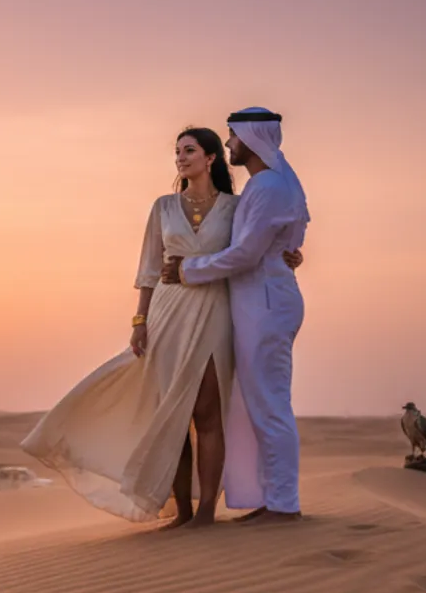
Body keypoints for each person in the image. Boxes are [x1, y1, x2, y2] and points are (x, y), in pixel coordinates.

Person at [20, 125, 301, 527]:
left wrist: (290, 257)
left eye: (190, 151)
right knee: (171, 414)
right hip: (167, 313)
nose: (181, 158)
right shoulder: (163, 208)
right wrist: (139, 321)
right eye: (177, 152)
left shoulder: (236, 207)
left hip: (215, 312)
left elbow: (255, 247)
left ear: (210, 159)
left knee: (206, 412)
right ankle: (182, 512)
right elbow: (149, 270)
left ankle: (205, 512)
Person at [160, 107, 308, 524]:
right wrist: (288, 253)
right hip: (259, 301)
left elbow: (244, 253)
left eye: (231, 138)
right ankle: (274, 498)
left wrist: (187, 271)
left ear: (251, 137)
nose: (228, 146)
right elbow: (285, 235)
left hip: (264, 303)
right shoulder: (274, 183)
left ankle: (283, 504)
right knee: (258, 405)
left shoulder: (268, 186)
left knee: (270, 405)